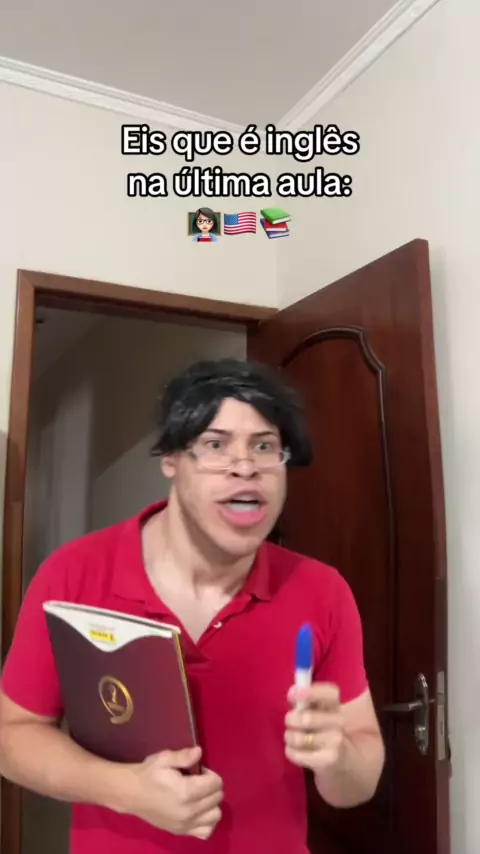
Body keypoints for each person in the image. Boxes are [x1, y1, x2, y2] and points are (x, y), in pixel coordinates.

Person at [0, 358, 385, 854]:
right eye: (215, 444)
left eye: (264, 446)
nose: (244, 467)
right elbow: (13, 737)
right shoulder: (74, 574)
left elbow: (356, 782)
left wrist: (338, 758)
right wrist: (126, 790)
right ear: (170, 459)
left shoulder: (322, 591)